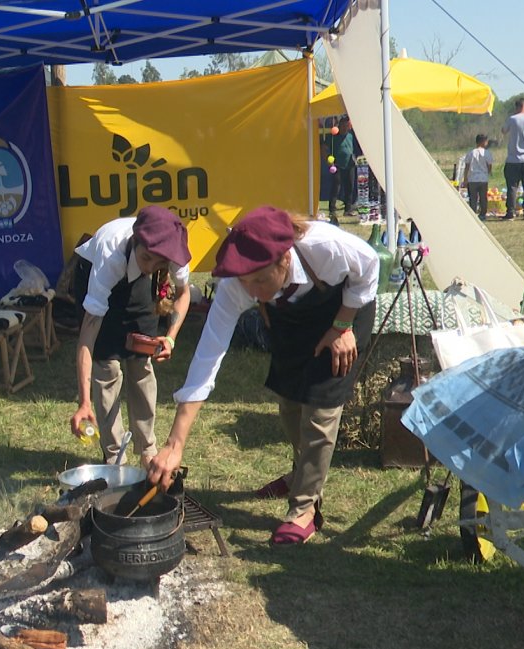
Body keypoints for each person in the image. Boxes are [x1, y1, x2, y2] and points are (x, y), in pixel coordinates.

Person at [144, 206, 379, 545]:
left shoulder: (325, 248)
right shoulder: (237, 285)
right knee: (290, 401)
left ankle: (305, 508)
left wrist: (343, 325)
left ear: (284, 260)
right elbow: (207, 358)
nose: (251, 292)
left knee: (319, 411)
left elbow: (370, 265)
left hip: (342, 310)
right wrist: (174, 444)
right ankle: (302, 473)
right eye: (245, 282)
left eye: (259, 280)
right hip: (292, 318)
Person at [70, 206, 192, 465]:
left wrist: (170, 337)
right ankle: (115, 455)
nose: (151, 266)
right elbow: (87, 339)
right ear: (135, 241)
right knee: (108, 367)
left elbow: (183, 294)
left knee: (141, 361)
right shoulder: (110, 254)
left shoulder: (174, 251)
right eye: (147, 258)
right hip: (93, 274)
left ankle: (147, 449)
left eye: (158, 263)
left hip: (137, 285)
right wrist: (84, 402)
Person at [463, 134, 494, 220]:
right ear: (483, 142)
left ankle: (473, 214)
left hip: (472, 178)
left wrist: (465, 178)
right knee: (483, 197)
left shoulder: (471, 152)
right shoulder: (486, 153)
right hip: (483, 179)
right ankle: (482, 214)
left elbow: (467, 166)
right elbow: (489, 164)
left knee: (473, 198)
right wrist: (489, 171)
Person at [331, 116, 357, 217]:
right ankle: (332, 209)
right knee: (336, 187)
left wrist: (355, 157)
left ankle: (348, 209)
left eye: (347, 125)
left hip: (350, 164)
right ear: (339, 126)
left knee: (349, 187)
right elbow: (326, 147)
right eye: (343, 125)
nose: (345, 127)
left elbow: (356, 148)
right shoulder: (334, 136)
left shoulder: (351, 136)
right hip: (337, 165)